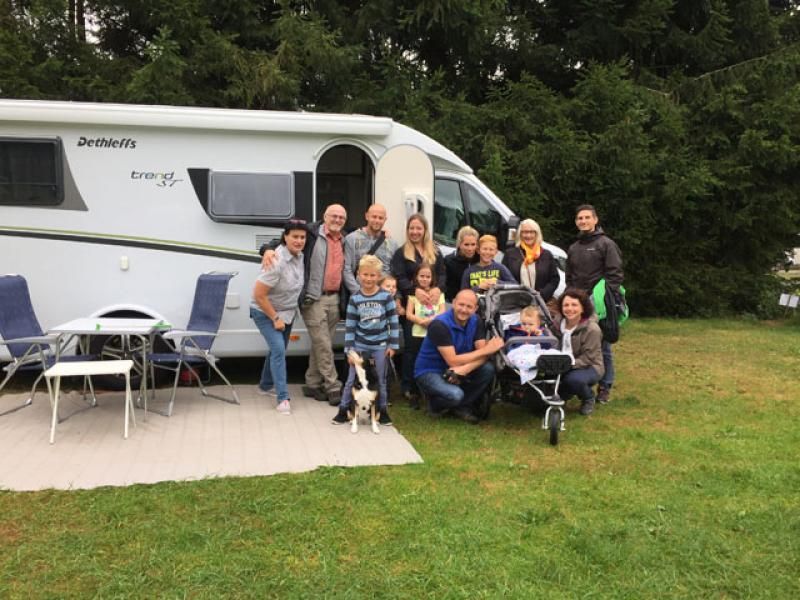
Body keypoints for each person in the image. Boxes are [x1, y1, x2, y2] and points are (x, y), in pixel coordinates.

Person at [261, 204, 348, 405]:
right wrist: (266, 250)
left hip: (334, 298)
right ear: (324, 217)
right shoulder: (311, 232)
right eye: (333, 216)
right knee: (324, 343)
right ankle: (333, 386)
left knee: (321, 342)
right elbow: (280, 241)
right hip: (312, 298)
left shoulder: (345, 238)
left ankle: (312, 382)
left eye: (341, 217)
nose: (337, 220)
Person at [414, 289, 504, 423]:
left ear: (475, 308)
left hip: (459, 367)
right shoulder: (439, 325)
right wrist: (488, 350)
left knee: (488, 369)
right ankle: (434, 405)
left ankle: (461, 406)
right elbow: (453, 360)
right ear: (454, 303)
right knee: (455, 395)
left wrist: (466, 369)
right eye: (461, 305)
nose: (464, 310)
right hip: (430, 371)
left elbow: (483, 356)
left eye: (469, 307)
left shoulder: (476, 320)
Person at [332, 255, 400, 425]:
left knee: (381, 381)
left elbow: (393, 321)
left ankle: (381, 411)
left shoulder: (386, 297)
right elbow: (351, 326)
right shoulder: (355, 298)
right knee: (351, 380)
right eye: (365, 275)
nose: (369, 279)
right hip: (360, 346)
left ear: (378, 276)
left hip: (380, 346)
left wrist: (393, 344)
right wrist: (349, 349)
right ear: (358, 274)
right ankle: (343, 410)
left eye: (373, 275)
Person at [566, 204, 623, 405]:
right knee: (579, 345)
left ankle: (605, 386)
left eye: (587, 218)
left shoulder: (606, 244)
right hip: (577, 306)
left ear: (595, 220)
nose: (583, 221)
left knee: (603, 346)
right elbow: (570, 277)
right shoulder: (573, 248)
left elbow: (615, 276)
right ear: (576, 222)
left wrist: (602, 298)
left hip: (599, 305)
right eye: (580, 218)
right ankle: (582, 384)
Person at [251, 220, 308, 415]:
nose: (299, 241)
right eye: (295, 236)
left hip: (288, 312)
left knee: (279, 349)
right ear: (285, 237)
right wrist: (275, 318)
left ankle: (265, 386)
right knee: (278, 350)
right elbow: (258, 295)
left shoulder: (299, 256)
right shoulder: (276, 261)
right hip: (265, 311)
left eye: (302, 237)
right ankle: (283, 399)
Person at [390, 213, 446, 405]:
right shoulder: (401, 253)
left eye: (418, 228)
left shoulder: (435, 251)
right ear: (407, 230)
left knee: (431, 347)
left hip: (434, 306)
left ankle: (429, 386)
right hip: (413, 309)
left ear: (425, 230)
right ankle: (409, 387)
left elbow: (442, 275)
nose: (415, 232)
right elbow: (398, 277)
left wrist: (438, 288)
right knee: (412, 349)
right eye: (411, 228)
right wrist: (415, 291)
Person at [554, 288, 604, 416]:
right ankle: (563, 395)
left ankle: (588, 397)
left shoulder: (592, 329)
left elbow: (589, 357)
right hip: (562, 364)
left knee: (573, 380)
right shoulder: (556, 323)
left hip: (589, 366)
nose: (569, 308)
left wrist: (567, 365)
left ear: (583, 308)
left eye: (574, 305)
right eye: (566, 305)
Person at [405, 262, 446, 408]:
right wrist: (420, 321)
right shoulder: (413, 295)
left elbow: (442, 311)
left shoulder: (438, 293)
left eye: (427, 276)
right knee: (415, 361)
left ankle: (431, 391)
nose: (424, 279)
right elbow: (409, 313)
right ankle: (413, 392)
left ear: (432, 278)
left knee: (432, 361)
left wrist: (431, 320)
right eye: (421, 276)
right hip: (417, 333)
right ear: (416, 277)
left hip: (433, 333)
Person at [342, 204, 398, 295]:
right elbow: (347, 269)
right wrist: (358, 292)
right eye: (374, 217)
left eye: (380, 218)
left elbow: (394, 273)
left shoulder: (392, 243)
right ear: (367, 216)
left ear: (385, 219)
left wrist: (395, 296)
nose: (377, 220)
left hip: (385, 297)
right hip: (360, 296)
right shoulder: (352, 239)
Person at [501, 218, 560, 301]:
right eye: (525, 232)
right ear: (520, 234)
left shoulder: (546, 255)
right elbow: (503, 278)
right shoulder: (510, 254)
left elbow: (554, 279)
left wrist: (542, 294)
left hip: (541, 302)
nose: (528, 235)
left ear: (537, 234)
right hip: (515, 302)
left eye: (532, 232)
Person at [444, 226, 479, 302]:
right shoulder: (449, 261)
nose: (470, 249)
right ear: (459, 244)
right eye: (466, 244)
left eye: (473, 244)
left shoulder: (481, 259)